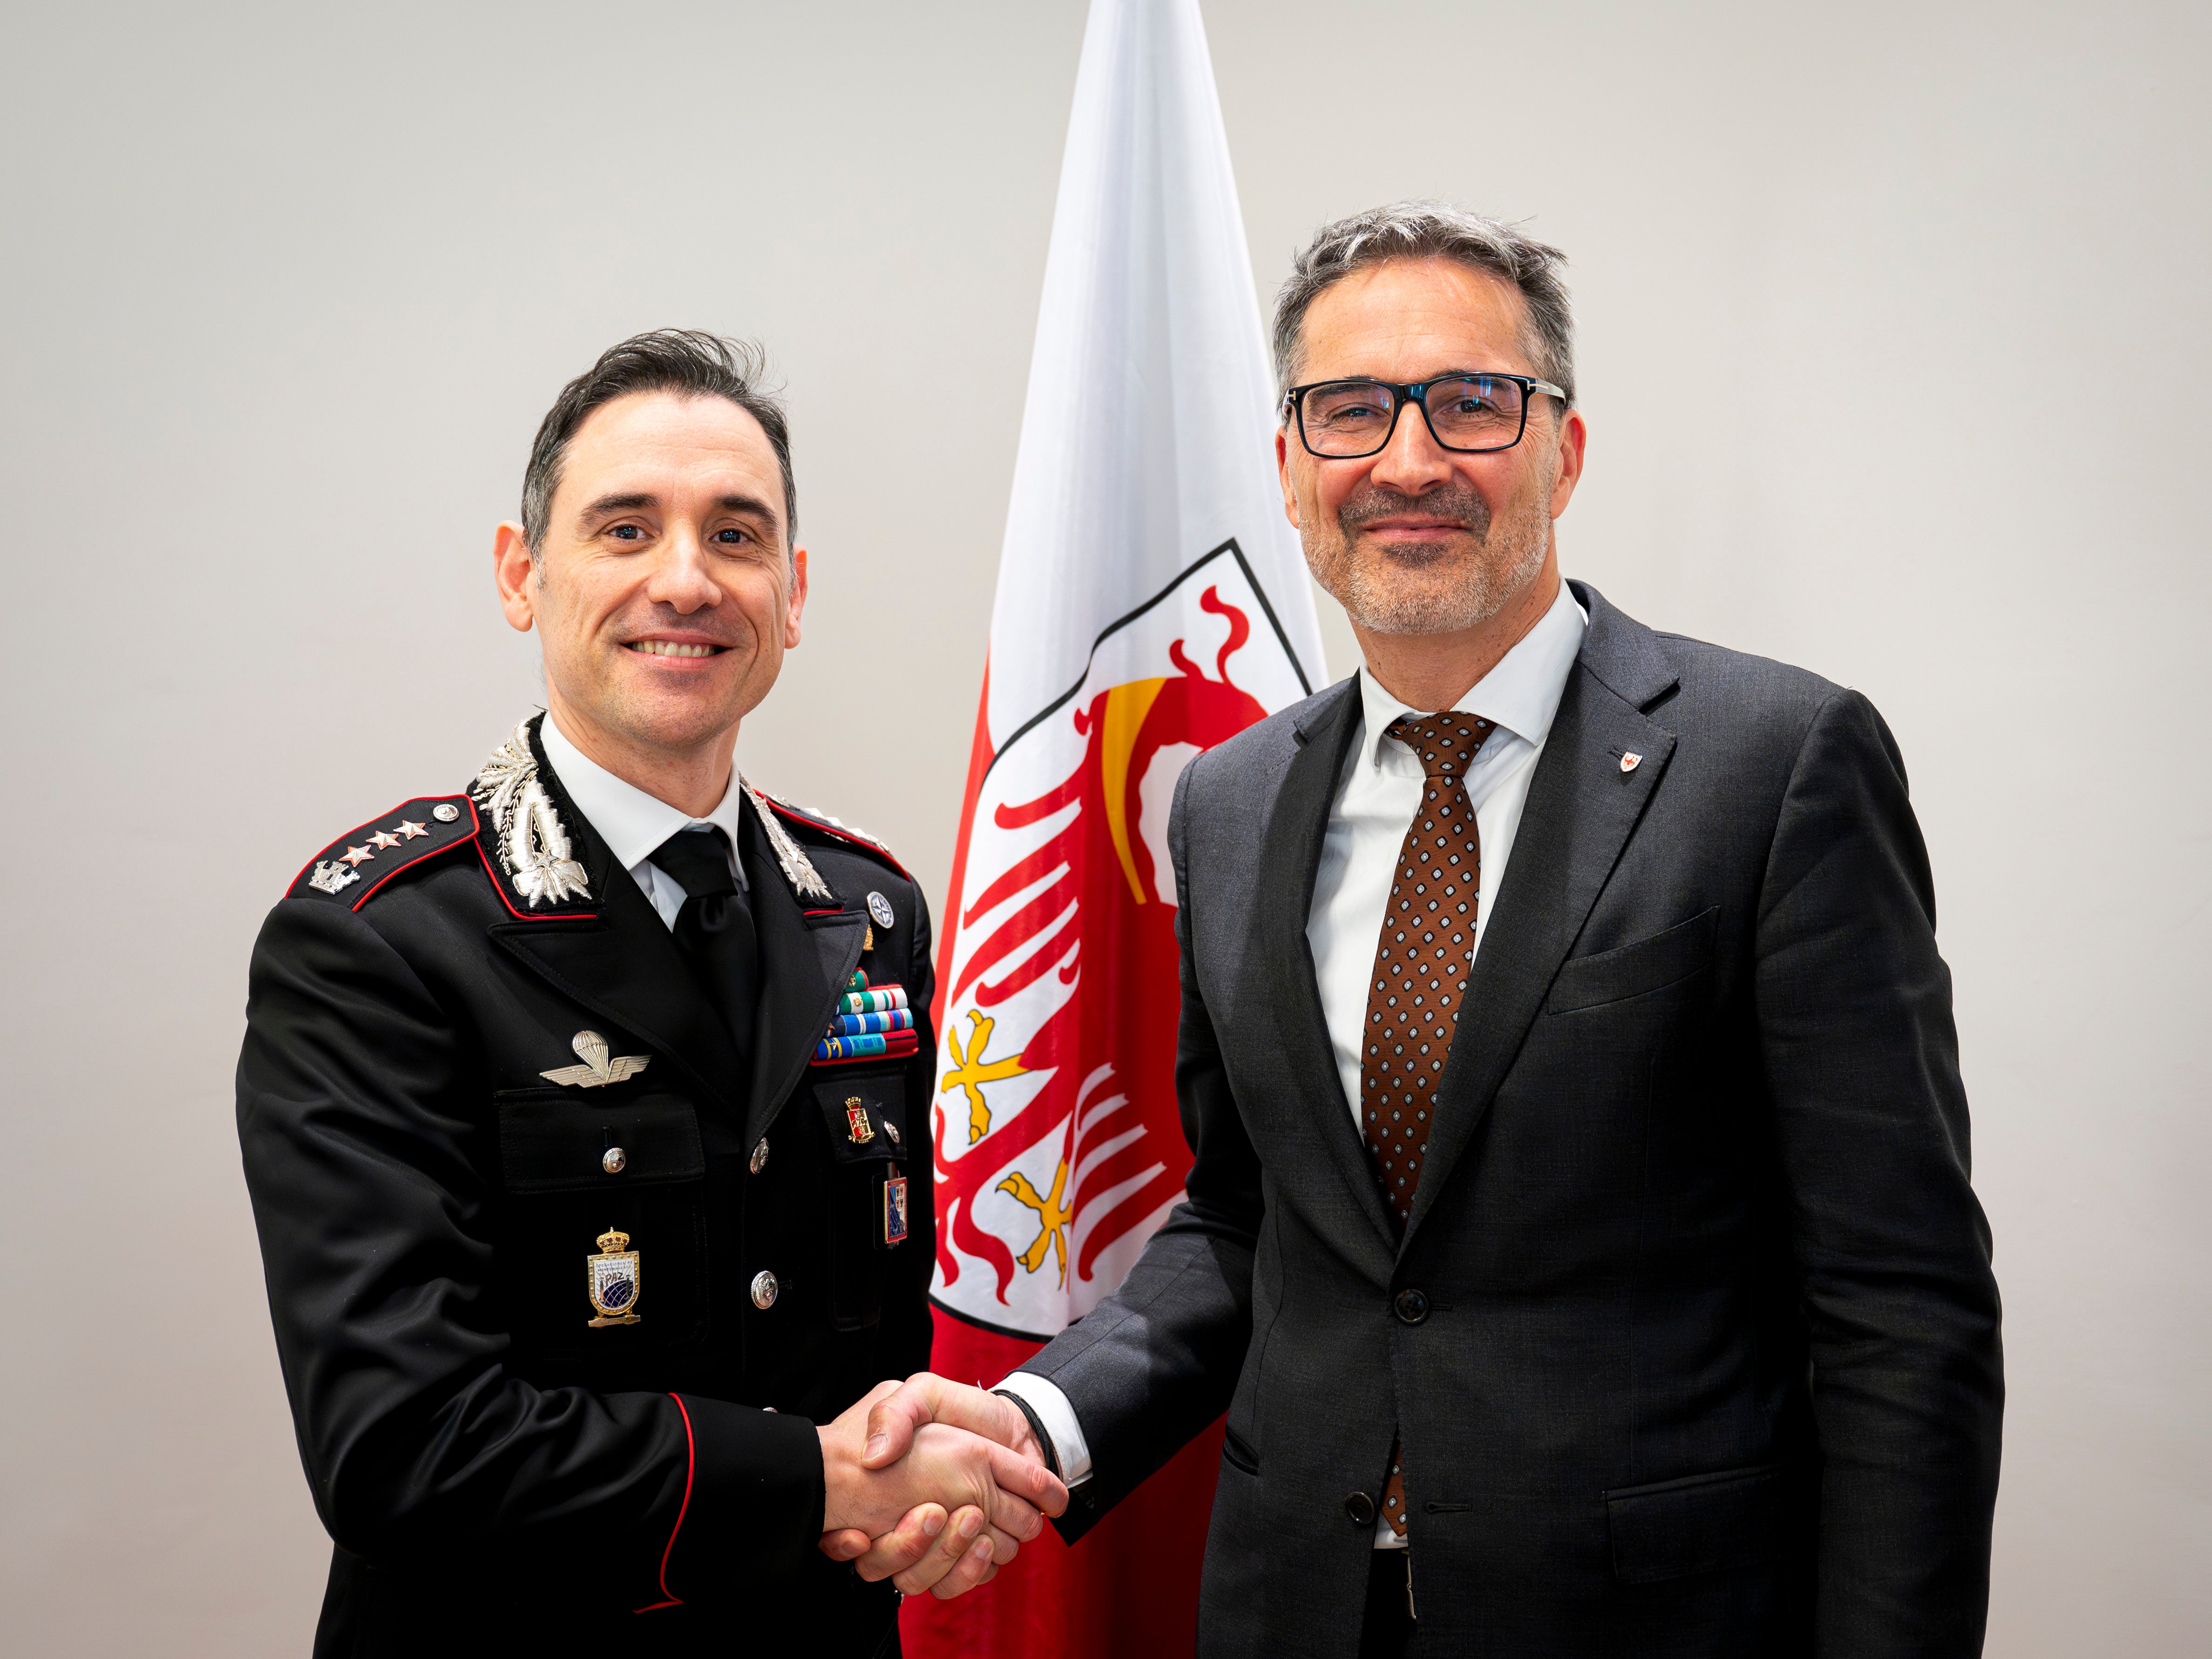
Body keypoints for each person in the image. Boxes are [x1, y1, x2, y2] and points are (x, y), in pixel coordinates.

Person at [844, 204, 2005, 1657]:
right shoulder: (1229, 798)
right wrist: (1038, 1421)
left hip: (1654, 1616)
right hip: (1298, 1605)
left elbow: (1901, 1304)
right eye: (1350, 412)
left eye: (1472, 403)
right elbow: (1246, 1216)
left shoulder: (1776, 763)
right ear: (1288, 465)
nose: (1408, 461)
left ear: (1564, 450)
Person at [236, 329, 1063, 1659]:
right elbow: (404, 1442)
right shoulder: (381, 943)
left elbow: (897, 1331)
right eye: (626, 528)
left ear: (792, 594)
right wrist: (825, 1482)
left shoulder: (871, 913)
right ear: (522, 574)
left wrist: (938, 1479)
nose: (686, 579)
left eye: (736, 536)